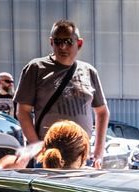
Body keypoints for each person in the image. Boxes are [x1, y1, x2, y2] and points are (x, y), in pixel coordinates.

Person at [14, 19, 109, 169]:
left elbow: (102, 112)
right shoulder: (35, 68)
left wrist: (98, 152)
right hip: (47, 156)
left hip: (80, 157)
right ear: (51, 42)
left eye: (68, 41)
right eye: (58, 41)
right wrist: (37, 146)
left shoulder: (89, 71)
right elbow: (22, 112)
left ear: (79, 44)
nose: (62, 47)